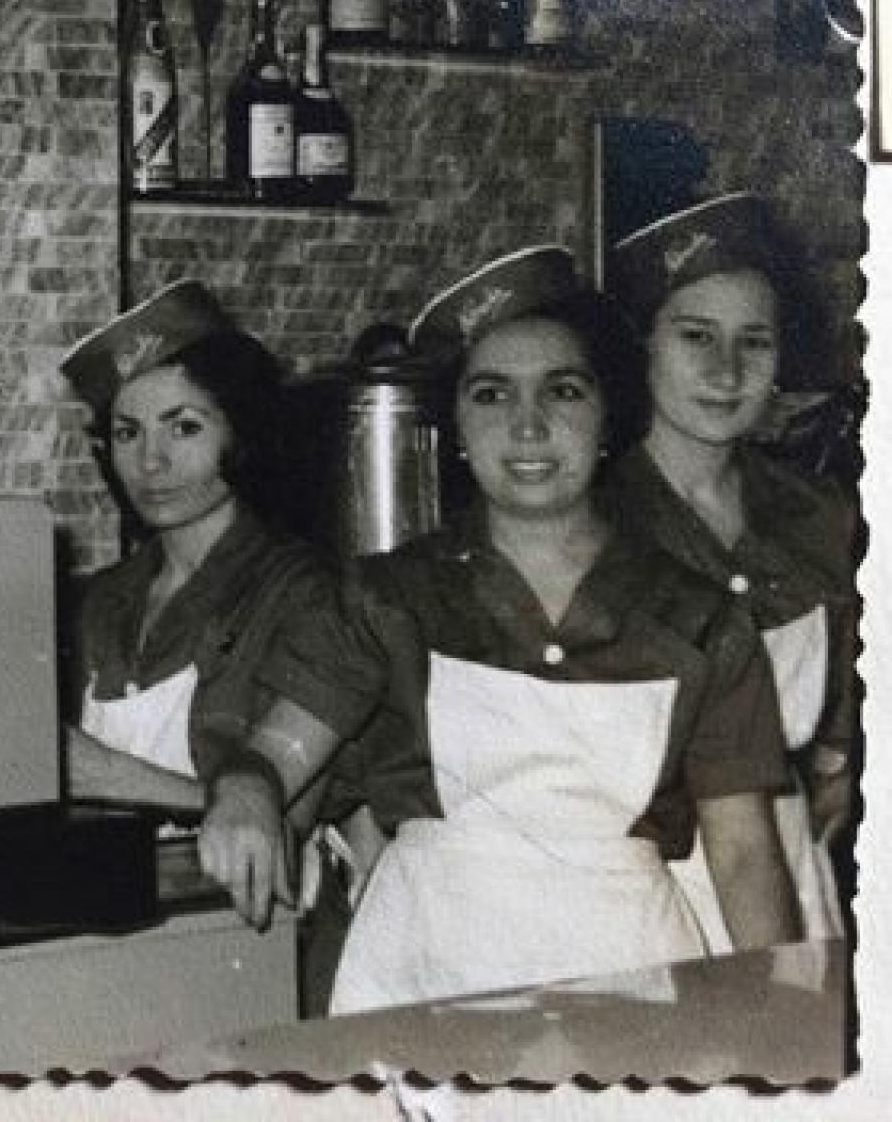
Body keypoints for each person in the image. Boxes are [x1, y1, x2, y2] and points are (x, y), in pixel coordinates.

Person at [288, 246, 799, 1015]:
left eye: (563, 391)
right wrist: (244, 795)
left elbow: (744, 849)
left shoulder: (698, 616)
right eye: (491, 395)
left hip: (631, 969)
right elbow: (276, 755)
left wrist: (783, 1016)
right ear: (456, 424)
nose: (527, 426)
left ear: (606, 414)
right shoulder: (392, 596)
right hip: (428, 963)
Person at [58, 280, 373, 1001]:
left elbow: (280, 829)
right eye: (128, 433)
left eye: (184, 427)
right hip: (119, 947)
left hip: (259, 953)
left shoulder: (309, 594)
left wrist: (107, 777)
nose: (152, 462)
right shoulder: (97, 601)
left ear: (240, 429)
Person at [603, 192, 860, 948]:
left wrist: (839, 749)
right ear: (644, 347)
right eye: (695, 337)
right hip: (650, 877)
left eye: (754, 342)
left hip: (785, 861)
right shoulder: (598, 524)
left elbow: (845, 664)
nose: (725, 370)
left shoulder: (816, 510)